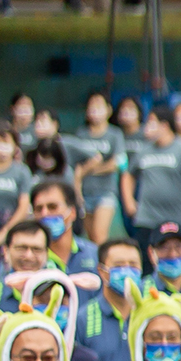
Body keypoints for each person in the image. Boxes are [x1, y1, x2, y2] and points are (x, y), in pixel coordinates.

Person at [125, 107, 181, 249]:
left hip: (178, 218)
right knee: (146, 258)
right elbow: (128, 175)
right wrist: (129, 201)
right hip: (147, 218)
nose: (147, 127)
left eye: (152, 123)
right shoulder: (143, 150)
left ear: (164, 126)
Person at [66, 89, 127, 246]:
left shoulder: (115, 134)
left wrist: (91, 169)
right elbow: (76, 167)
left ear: (108, 110)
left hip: (106, 193)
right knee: (90, 238)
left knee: (100, 236)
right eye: (91, 106)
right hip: (85, 193)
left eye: (99, 106)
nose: (95, 110)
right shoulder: (81, 134)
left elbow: (118, 163)